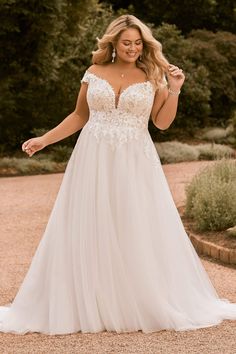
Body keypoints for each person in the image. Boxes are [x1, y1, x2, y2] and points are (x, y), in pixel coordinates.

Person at [0, 14, 236, 335]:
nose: (133, 48)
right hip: (92, 157)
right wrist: (44, 139)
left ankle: (135, 300)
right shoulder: (94, 72)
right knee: (90, 223)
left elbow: (162, 123)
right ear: (113, 43)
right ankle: (91, 300)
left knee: (133, 224)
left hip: (135, 160)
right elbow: (79, 115)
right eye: (127, 42)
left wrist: (175, 89)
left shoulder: (153, 75)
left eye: (138, 43)